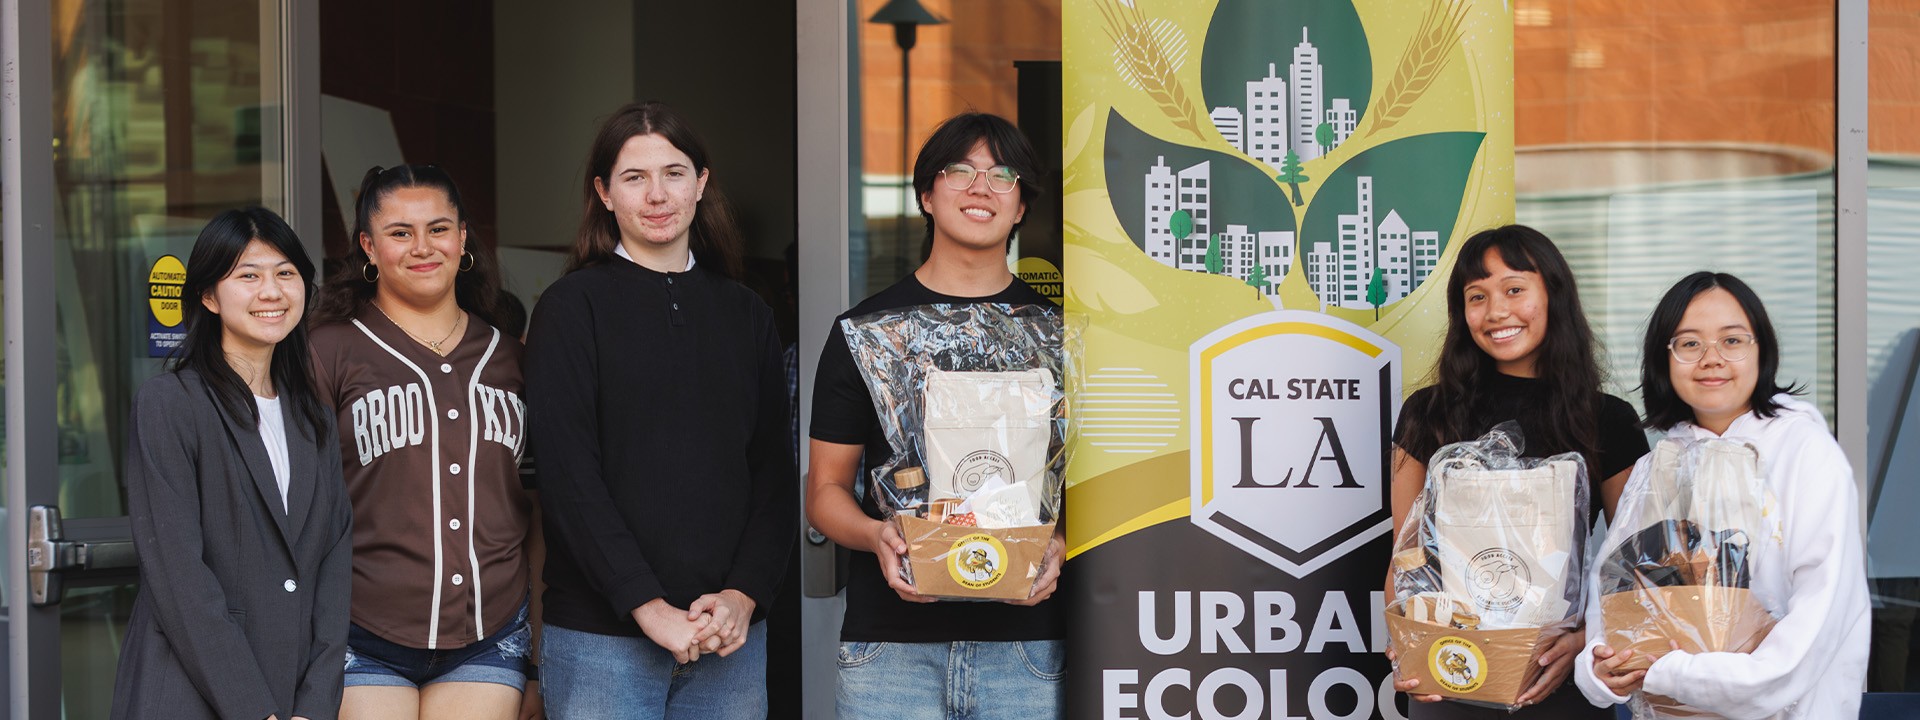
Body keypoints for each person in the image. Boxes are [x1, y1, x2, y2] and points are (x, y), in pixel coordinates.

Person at [523, 100, 794, 719]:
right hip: (601, 642)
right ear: (604, 193)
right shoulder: (571, 308)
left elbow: (774, 477)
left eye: (674, 173)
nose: (656, 194)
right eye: (634, 177)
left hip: (729, 642)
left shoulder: (747, 314)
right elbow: (569, 478)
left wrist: (742, 597)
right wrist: (648, 606)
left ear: (701, 183)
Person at [807, 112, 1066, 719]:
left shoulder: (1063, 337)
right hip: (890, 654)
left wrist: (1060, 542)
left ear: (1022, 205)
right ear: (926, 194)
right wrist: (877, 534)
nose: (982, 187)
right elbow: (824, 491)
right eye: (960, 171)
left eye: (1003, 175)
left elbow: (1096, 490)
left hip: (1028, 651)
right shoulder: (866, 335)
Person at [1575, 272, 1870, 718]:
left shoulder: (1806, 452)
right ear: (1664, 359)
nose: (1711, 359)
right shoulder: (1661, 463)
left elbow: (1821, 615)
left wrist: (1672, 673)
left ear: (1761, 351)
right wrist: (1600, 664)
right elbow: (1614, 589)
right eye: (1689, 344)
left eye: (1732, 341)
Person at [1386, 225, 1648, 717]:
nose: (1496, 311)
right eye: (1476, 296)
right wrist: (1409, 643)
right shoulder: (1428, 413)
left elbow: (1637, 569)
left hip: (1559, 681)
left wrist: (1587, 640)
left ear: (1553, 295)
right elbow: (1406, 557)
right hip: (1452, 676)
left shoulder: (1607, 420)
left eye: (1514, 289)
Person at [308, 165, 540, 720]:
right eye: (399, 232)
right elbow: (299, 509)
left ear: (463, 241)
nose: (422, 247)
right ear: (368, 245)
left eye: (438, 229)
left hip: (490, 633)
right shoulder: (328, 351)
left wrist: (537, 658)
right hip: (361, 634)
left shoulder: (513, 358)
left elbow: (538, 514)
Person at [111, 207, 352, 720]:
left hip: (294, 698)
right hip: (189, 694)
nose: (272, 292)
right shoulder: (171, 403)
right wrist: (253, 710)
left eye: (286, 273)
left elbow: (333, 567)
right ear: (207, 295)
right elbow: (180, 579)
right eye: (249, 275)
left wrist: (315, 704)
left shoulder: (315, 419)